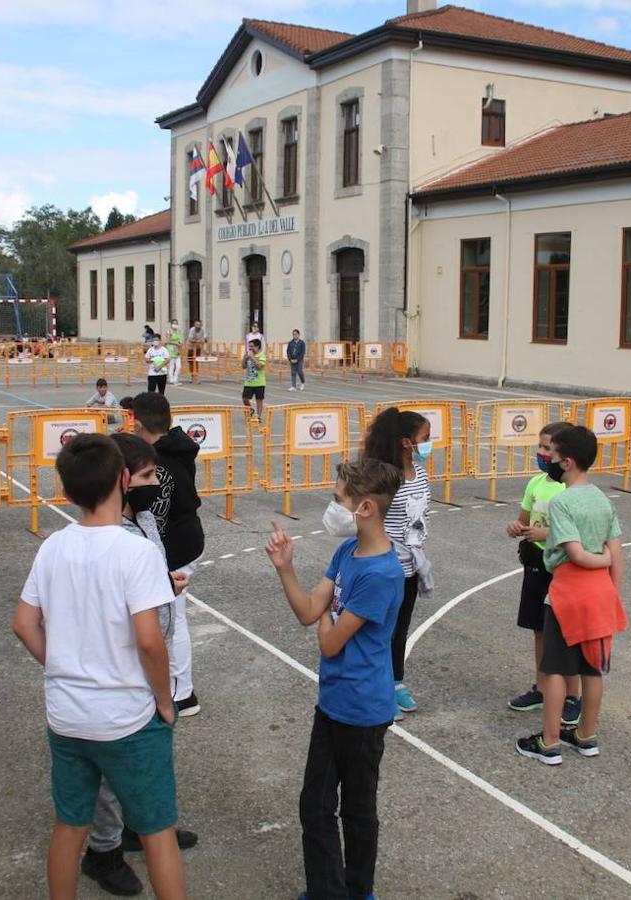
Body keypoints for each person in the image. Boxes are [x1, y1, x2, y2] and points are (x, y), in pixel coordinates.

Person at [12, 433, 187, 900]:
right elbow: (150, 641)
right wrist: (165, 701)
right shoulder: (137, 551)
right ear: (123, 479)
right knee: (156, 832)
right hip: (126, 716)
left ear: (68, 490)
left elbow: (24, 623)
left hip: (67, 716)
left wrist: (63, 665)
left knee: (70, 825)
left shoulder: (53, 546)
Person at [264, 459, 404, 900]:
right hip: (333, 702)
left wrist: (327, 611)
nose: (332, 506)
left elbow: (329, 642)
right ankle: (327, 891)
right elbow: (310, 613)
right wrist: (286, 568)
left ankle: (359, 889)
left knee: (358, 809)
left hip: (363, 709)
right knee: (316, 804)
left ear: (364, 508)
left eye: (337, 498)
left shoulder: (382, 573)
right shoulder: (346, 552)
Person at [80, 432, 200, 896]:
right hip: (130, 671)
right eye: (148, 475)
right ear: (123, 479)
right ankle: (103, 851)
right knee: (113, 770)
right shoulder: (117, 538)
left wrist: (165, 586)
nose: (156, 483)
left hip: (152, 664)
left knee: (149, 761)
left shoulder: (145, 517)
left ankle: (138, 825)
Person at [516, 425, 626, 767]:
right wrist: (610, 584)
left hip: (568, 594)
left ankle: (549, 742)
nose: (547, 458)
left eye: (553, 454)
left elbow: (574, 553)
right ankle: (585, 736)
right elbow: (617, 552)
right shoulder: (602, 499)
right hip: (600, 595)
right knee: (592, 669)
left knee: (554, 671)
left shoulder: (563, 502)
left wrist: (599, 560)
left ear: (568, 462)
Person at [129, 392, 203, 717]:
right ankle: (174, 686)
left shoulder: (158, 463)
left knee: (175, 618)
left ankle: (182, 693)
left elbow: (154, 515)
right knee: (171, 617)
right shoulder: (177, 447)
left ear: (139, 423)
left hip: (175, 547)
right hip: (186, 538)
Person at [505, 422, 580, 726]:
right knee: (540, 628)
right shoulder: (536, 484)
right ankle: (542, 687)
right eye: (540, 446)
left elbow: (578, 532)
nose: (542, 452)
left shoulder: (571, 488)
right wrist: (517, 529)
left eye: (548, 448)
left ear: (565, 455)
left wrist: (545, 533)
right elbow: (524, 519)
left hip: (562, 567)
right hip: (536, 564)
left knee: (566, 631)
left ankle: (571, 696)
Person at [362, 407, 433, 720]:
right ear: (406, 442)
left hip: (410, 567)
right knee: (380, 631)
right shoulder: (385, 479)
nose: (430, 444)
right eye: (425, 438)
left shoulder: (421, 474)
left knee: (400, 629)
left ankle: (395, 681)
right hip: (385, 568)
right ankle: (377, 690)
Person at [242, 338, 267, 421]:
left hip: (259, 382)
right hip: (249, 382)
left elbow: (259, 366)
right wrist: (245, 359)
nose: (250, 348)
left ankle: (258, 417)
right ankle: (250, 410)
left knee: (259, 400)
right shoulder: (248, 354)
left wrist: (252, 357)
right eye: (249, 346)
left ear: (257, 347)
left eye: (252, 346)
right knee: (245, 398)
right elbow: (243, 366)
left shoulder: (261, 355)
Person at [165, 320, 183, 386]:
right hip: (171, 349)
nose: (175, 325)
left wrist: (180, 343)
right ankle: (171, 379)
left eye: (176, 323)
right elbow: (168, 341)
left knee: (179, 366)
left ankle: (175, 379)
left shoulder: (178, 331)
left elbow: (179, 339)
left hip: (177, 350)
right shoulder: (169, 331)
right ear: (171, 324)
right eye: (174, 323)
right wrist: (176, 343)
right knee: (171, 365)